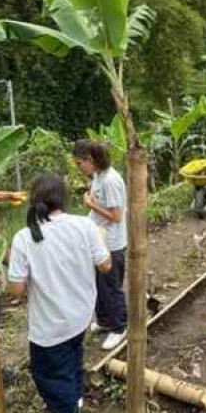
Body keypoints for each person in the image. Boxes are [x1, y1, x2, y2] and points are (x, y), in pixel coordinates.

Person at [7, 174, 112, 413]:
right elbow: (105, 265)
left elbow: (16, 291)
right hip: (81, 314)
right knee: (73, 358)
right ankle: (74, 399)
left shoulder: (24, 238)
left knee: (47, 376)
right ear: (64, 199)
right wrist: (100, 240)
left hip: (50, 324)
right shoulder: (84, 225)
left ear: (34, 201)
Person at [72, 140, 128, 352]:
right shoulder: (98, 176)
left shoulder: (110, 181)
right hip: (98, 239)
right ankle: (105, 321)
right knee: (98, 284)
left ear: (90, 159)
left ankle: (119, 327)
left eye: (79, 163)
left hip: (111, 243)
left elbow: (116, 216)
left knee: (110, 287)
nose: (79, 168)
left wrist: (90, 204)